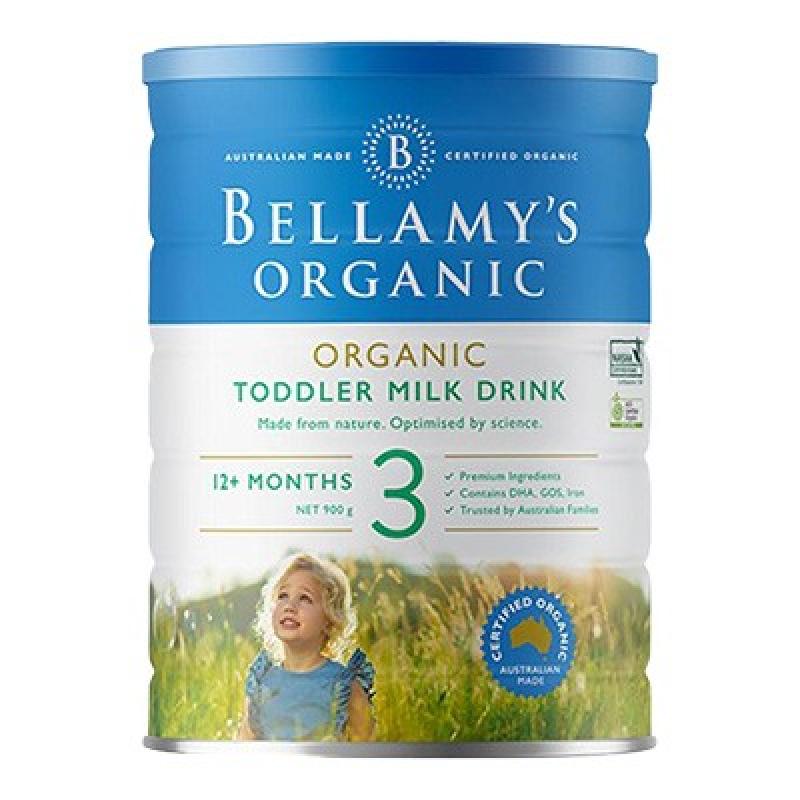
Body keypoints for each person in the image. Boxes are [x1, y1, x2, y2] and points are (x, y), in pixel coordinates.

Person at [238, 552, 375, 741]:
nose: (289, 606)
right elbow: (245, 742)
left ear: (329, 620)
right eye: (282, 596)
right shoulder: (263, 682)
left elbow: (367, 742)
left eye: (304, 598)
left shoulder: (342, 684)